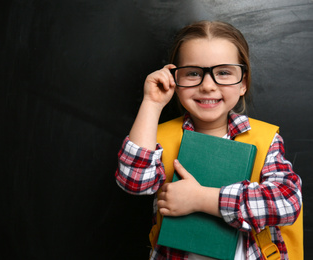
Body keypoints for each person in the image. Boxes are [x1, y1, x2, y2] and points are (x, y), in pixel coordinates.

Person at [115, 20, 302, 260]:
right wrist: (151, 104)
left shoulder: (264, 139)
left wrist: (201, 199)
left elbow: (288, 201)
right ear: (175, 79)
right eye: (193, 73)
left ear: (243, 83)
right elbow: (133, 181)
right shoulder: (159, 138)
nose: (207, 86)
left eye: (223, 72)